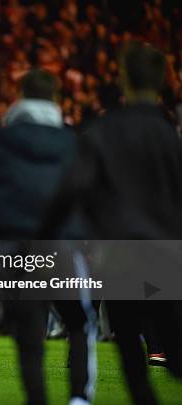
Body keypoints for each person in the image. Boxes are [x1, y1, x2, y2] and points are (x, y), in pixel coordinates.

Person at [41, 42, 182, 405]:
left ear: (123, 78)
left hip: (119, 255)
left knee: (130, 347)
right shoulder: (172, 136)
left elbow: (70, 191)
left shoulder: (103, 132)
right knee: (171, 344)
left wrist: (47, 233)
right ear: (163, 79)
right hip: (169, 256)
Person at [0, 69, 97, 405]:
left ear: (19, 97)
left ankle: (37, 398)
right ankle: (79, 397)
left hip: (14, 248)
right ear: (56, 99)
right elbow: (94, 195)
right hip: (62, 247)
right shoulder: (74, 142)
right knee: (78, 321)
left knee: (28, 331)